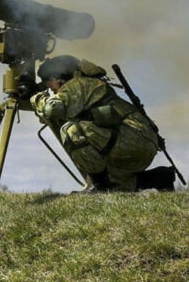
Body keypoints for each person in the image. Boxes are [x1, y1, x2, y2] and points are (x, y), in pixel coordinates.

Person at [30, 55, 171, 192]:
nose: (49, 86)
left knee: (72, 131)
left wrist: (35, 96)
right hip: (141, 144)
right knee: (114, 182)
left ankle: (101, 188)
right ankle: (159, 177)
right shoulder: (91, 84)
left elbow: (53, 110)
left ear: (60, 77)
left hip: (130, 139)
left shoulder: (77, 84)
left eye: (49, 80)